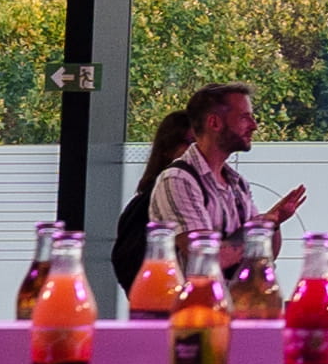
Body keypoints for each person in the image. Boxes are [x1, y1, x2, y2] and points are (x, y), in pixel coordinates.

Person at [112, 85, 300, 288]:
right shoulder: (178, 179)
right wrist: (258, 230)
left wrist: (273, 223)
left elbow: (263, 258)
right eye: (244, 117)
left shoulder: (237, 184)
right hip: (196, 313)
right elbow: (205, 258)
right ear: (214, 122)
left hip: (233, 308)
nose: (254, 125)